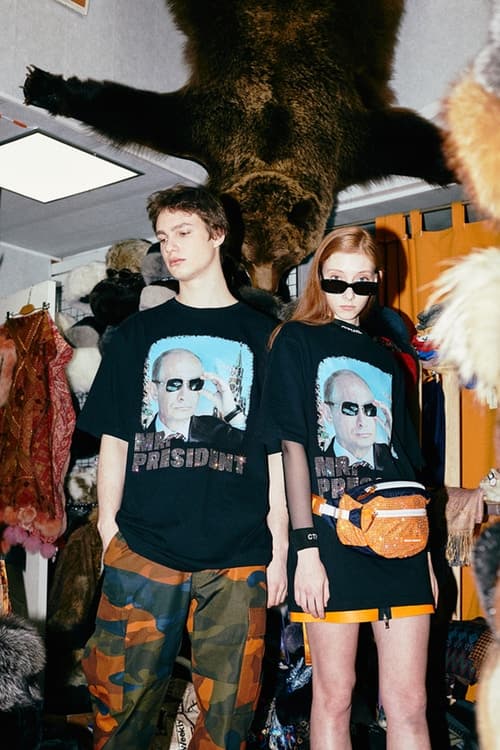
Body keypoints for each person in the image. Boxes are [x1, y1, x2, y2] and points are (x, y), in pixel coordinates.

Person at [78, 185, 288, 750]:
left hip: (240, 559)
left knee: (227, 724)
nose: (170, 246)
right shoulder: (136, 335)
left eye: (184, 232)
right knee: (118, 715)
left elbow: (275, 453)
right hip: (144, 550)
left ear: (217, 234)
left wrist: (281, 548)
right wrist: (108, 529)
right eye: (163, 236)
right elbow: (115, 440)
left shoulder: (267, 338)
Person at [261, 226, 436, 750]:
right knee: (334, 696)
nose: (349, 295)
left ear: (376, 281)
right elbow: (292, 445)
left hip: (401, 539)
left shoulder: (386, 358)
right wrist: (304, 550)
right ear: (319, 278)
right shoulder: (296, 338)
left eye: (362, 284)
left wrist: (425, 554)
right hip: (331, 538)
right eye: (337, 282)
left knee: (409, 703)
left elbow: (408, 461)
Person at [147, 347, 245, 449]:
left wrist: (232, 412)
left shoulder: (217, 432)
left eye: (194, 384)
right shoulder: (139, 435)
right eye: (174, 385)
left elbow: (249, 450)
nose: (184, 396)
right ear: (154, 391)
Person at [322, 369, 396, 473]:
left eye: (369, 409)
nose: (362, 422)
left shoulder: (390, 454)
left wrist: (394, 441)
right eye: (350, 409)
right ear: (328, 413)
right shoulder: (317, 459)